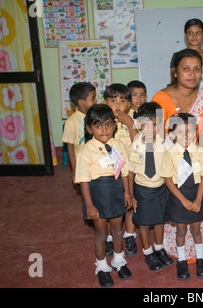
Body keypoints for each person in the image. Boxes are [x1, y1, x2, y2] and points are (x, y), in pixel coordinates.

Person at [153, 49, 203, 260]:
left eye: (196, 69)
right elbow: (156, 134)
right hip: (170, 156)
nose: (192, 74)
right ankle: (177, 245)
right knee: (177, 187)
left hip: (195, 155)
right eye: (186, 69)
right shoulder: (161, 97)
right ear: (175, 72)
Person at [74, 104, 133, 287]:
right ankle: (101, 266)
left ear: (114, 125)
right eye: (98, 126)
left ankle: (118, 260)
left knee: (117, 230)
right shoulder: (86, 151)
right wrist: (89, 205)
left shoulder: (118, 145)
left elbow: (124, 172)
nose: (104, 130)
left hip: (116, 191)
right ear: (89, 129)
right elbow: (84, 180)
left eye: (108, 125)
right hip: (97, 194)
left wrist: (127, 193)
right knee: (101, 233)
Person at [161, 113, 203, 280]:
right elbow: (168, 181)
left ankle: (200, 258)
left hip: (196, 194)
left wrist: (198, 200)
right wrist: (182, 200)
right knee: (181, 231)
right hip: (178, 196)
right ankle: (181, 260)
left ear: (195, 132)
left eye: (189, 131)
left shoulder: (200, 152)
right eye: (180, 131)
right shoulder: (170, 154)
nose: (185, 136)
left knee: (196, 230)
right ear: (172, 134)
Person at [128, 102, 174, 272]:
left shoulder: (165, 143)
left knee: (160, 220)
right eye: (145, 124)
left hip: (161, 188)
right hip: (142, 189)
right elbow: (130, 172)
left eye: (154, 124)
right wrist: (130, 195)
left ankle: (159, 248)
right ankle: (148, 252)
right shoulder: (134, 146)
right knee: (144, 222)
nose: (150, 129)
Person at [104, 83, 139, 256]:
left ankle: (130, 235)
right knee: (112, 205)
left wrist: (130, 124)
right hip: (111, 171)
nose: (118, 105)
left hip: (130, 168)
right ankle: (110, 237)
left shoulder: (134, 117)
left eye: (123, 101)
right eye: (113, 100)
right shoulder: (104, 120)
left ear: (130, 104)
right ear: (105, 102)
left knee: (130, 202)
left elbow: (139, 144)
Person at [170, 19, 203, 97]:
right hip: (181, 99)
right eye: (190, 33)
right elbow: (173, 83)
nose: (194, 36)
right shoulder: (177, 56)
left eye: (198, 33)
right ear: (185, 34)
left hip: (202, 102)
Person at [62, 82, 97, 182]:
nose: (96, 101)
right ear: (81, 102)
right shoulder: (71, 122)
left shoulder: (96, 117)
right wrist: (74, 169)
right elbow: (70, 146)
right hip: (81, 161)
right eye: (93, 98)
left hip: (96, 159)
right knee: (85, 185)